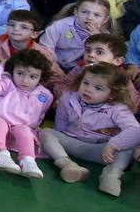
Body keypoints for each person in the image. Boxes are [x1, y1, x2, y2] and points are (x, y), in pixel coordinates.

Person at [38, 63, 139, 196]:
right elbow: (61, 120)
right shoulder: (69, 97)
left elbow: (135, 130)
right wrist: (58, 138)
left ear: (112, 94)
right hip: (73, 142)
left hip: (102, 151)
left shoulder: (118, 108)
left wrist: (114, 144)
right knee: (46, 133)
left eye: (98, 88)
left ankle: (112, 174)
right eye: (85, 83)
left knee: (127, 149)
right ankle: (67, 164)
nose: (88, 90)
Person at [0, 49, 55, 177]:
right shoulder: (6, 83)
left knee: (24, 130)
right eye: (20, 73)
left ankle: (28, 160)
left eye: (32, 76)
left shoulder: (45, 95)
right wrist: (1, 65)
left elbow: (38, 118)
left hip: (14, 137)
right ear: (12, 70)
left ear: (41, 77)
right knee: (0, 122)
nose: (25, 80)